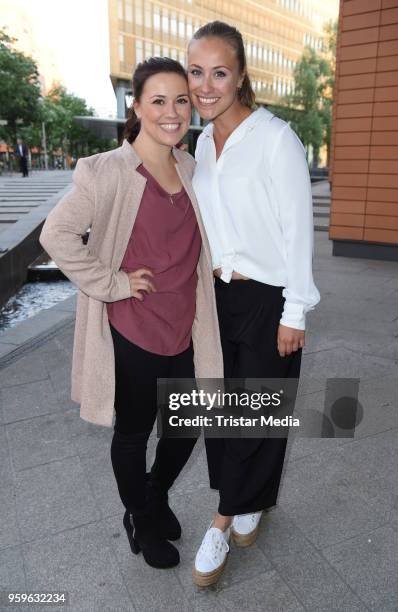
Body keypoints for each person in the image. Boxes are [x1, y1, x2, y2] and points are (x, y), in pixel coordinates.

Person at [39, 57, 223, 570]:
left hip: (184, 328)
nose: (172, 111)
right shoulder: (105, 171)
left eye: (181, 100)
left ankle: (154, 495)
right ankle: (139, 517)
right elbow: (56, 236)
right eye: (158, 100)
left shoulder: (190, 167)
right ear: (136, 106)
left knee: (185, 428)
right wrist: (113, 284)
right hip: (133, 331)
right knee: (135, 432)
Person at [187, 21, 320, 586]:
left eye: (219, 72)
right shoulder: (200, 143)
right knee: (224, 412)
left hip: (268, 298)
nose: (206, 85)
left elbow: (299, 230)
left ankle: (222, 518)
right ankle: (248, 499)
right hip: (218, 298)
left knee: (259, 411)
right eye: (197, 72)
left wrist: (296, 310)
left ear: (241, 75)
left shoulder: (275, 138)